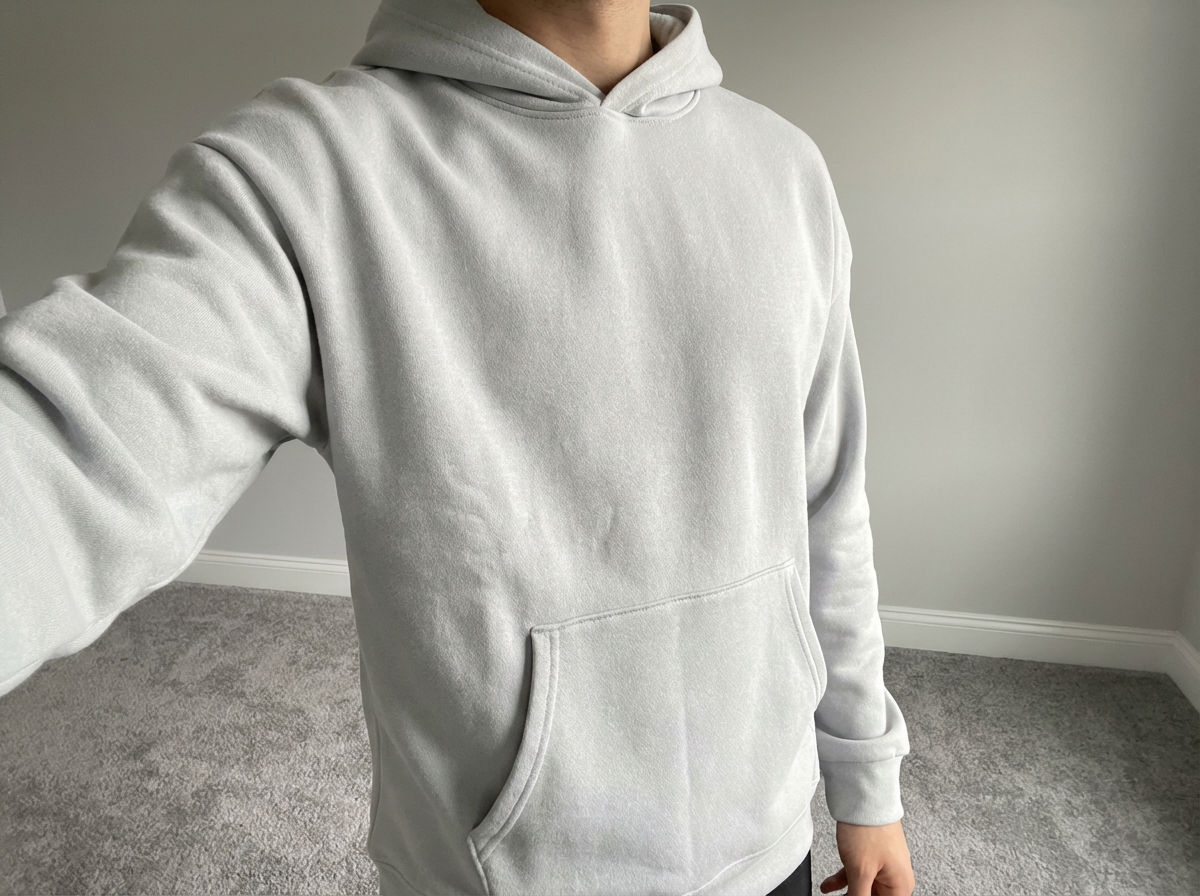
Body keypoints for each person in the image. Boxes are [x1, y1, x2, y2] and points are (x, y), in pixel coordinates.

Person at [0, 0, 916, 893]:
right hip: (501, 871)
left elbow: (826, 503)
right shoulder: (309, 174)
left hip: (769, 841)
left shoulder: (783, 169)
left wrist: (867, 782)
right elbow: (67, 455)